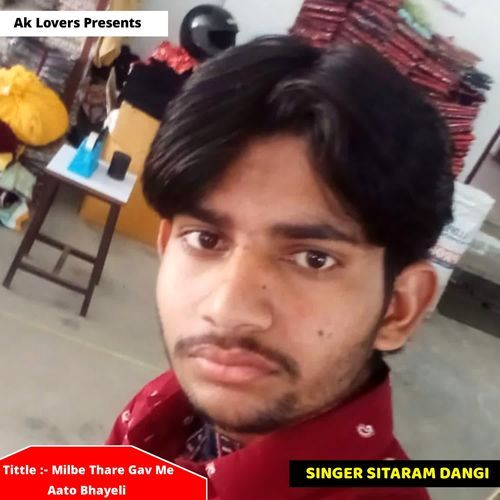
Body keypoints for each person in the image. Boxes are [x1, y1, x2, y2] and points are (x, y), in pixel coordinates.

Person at [106, 35, 453, 499]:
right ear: (167, 246)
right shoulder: (161, 411)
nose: (227, 311)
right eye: (206, 239)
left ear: (398, 309)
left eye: (314, 259)